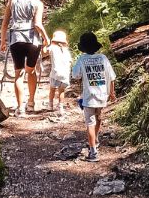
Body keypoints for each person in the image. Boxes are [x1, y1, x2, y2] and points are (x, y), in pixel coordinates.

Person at [0, 0, 50, 116]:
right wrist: (46, 38)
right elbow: (38, 24)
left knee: (18, 73)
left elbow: (4, 24)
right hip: (33, 40)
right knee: (31, 71)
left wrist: (3, 41)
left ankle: (20, 107)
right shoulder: (37, 3)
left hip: (16, 39)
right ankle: (31, 103)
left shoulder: (12, 1)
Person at [71, 31, 116, 162]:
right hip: (103, 95)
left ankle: (93, 152)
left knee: (90, 123)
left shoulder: (82, 59)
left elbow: (75, 75)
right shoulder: (103, 58)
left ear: (83, 48)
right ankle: (95, 139)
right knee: (99, 117)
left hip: (89, 97)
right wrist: (112, 93)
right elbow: (111, 77)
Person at [47, 29, 72, 115]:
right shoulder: (66, 51)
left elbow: (45, 52)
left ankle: (50, 105)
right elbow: (70, 62)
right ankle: (60, 107)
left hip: (55, 73)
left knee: (52, 89)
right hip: (65, 74)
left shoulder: (52, 47)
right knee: (61, 91)